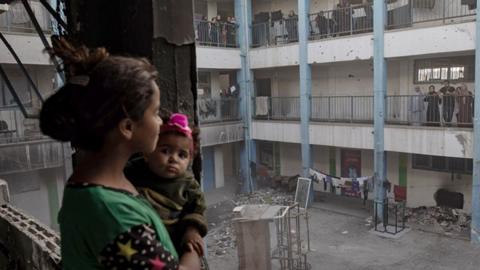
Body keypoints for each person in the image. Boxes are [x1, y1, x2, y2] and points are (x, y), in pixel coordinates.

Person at [40, 38, 201, 269]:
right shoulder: (112, 213)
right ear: (127, 127)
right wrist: (191, 244)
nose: (160, 122)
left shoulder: (99, 184)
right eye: (155, 113)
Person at [125, 113, 207, 258]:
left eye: (182, 155)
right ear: (147, 153)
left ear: (190, 159)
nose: (173, 159)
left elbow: (196, 211)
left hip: (172, 246)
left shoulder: (188, 185)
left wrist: (191, 231)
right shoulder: (133, 171)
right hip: (137, 243)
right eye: (165, 151)